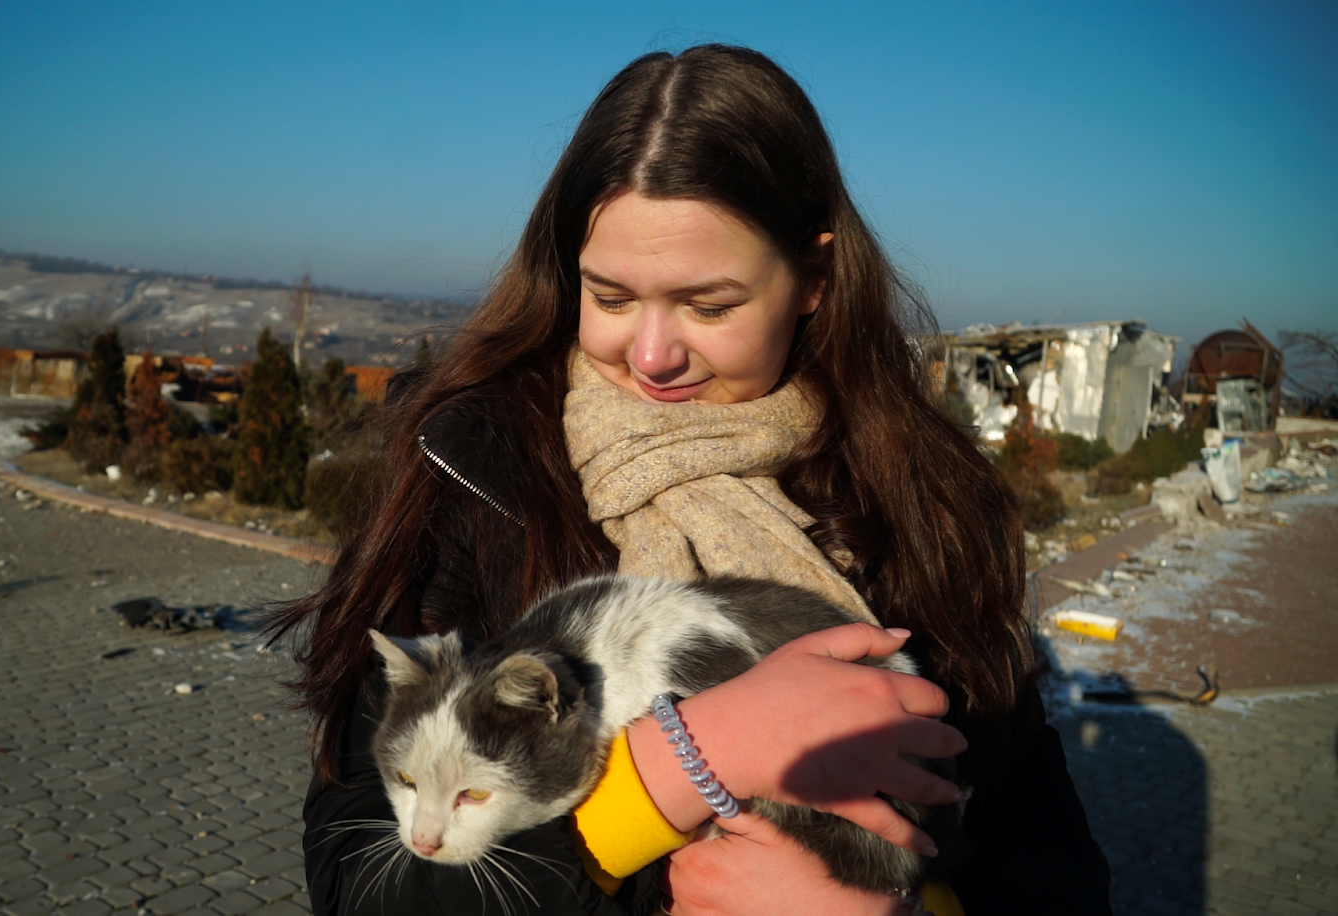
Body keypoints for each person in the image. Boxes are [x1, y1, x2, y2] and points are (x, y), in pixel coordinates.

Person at [266, 44, 1111, 916]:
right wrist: (670, 774)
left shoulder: (921, 498)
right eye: (612, 297)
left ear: (814, 279)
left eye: (710, 306)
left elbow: (1046, 858)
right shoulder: (470, 470)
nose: (653, 355)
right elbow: (358, 882)